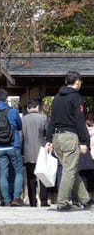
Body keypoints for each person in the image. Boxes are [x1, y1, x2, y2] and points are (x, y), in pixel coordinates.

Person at [46, 71, 93, 211]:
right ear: (77, 82)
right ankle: (63, 202)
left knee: (70, 170)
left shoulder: (56, 98)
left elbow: (52, 119)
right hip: (70, 137)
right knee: (69, 170)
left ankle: (86, 200)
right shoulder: (76, 97)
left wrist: (49, 139)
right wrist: (84, 141)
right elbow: (79, 120)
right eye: (81, 81)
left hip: (57, 138)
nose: (81, 83)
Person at [0, 89, 24, 206]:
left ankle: (6, 200)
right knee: (19, 171)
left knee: (3, 173)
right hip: (13, 145)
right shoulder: (13, 111)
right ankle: (16, 198)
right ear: (7, 98)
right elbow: (20, 126)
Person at [21, 100, 49, 207]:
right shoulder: (44, 118)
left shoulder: (23, 119)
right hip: (41, 150)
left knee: (30, 178)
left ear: (28, 108)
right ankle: (44, 200)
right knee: (42, 177)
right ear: (37, 107)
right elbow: (47, 134)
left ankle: (32, 201)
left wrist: (21, 151)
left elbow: (21, 137)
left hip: (28, 151)